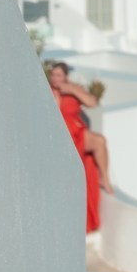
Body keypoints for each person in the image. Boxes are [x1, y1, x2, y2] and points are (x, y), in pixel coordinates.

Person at [46, 61, 110, 232]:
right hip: (60, 138)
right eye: (53, 75)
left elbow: (92, 103)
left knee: (100, 142)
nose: (55, 78)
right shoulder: (47, 91)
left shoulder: (73, 89)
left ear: (65, 76)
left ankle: (105, 178)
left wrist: (72, 90)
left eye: (59, 75)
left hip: (77, 133)